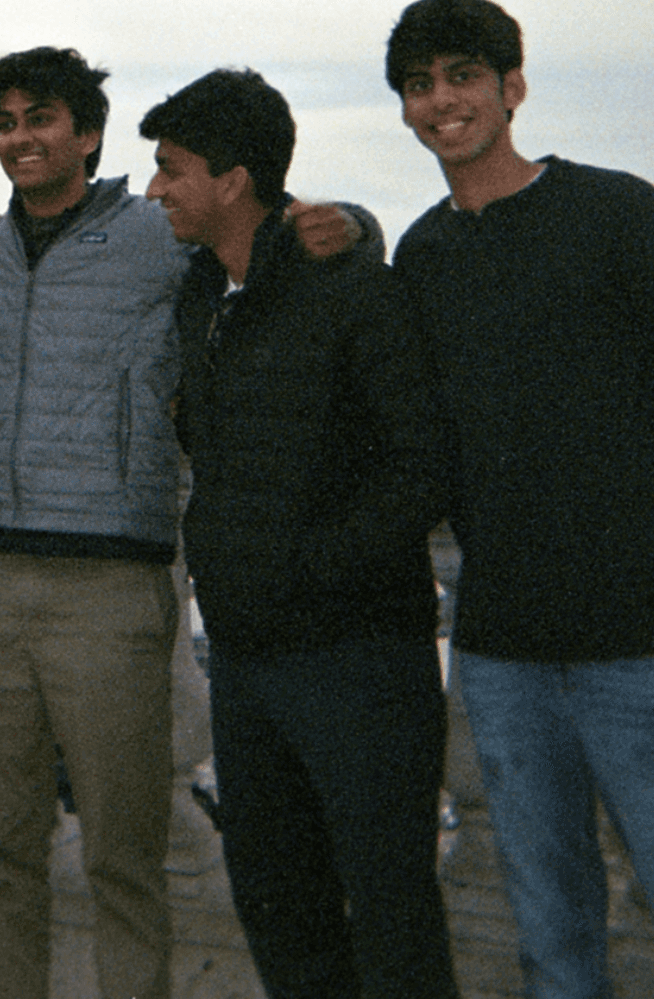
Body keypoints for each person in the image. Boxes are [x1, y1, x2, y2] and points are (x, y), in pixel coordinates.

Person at [384, 0, 654, 998]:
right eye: (418, 84)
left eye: (462, 75)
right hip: (504, 653)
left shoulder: (613, 211)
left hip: (652, 646)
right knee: (550, 945)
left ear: (511, 87)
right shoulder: (422, 254)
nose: (442, 100)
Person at [0, 45, 364, 999]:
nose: (21, 138)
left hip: (113, 584)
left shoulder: (155, 231)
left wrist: (359, 223)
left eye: (40, 118)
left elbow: (280, 231)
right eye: (5, 122)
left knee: (124, 859)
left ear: (87, 134)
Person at [140, 68, 459, 999]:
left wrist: (309, 573)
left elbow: (424, 466)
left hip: (358, 658)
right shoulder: (203, 293)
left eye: (172, 169)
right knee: (278, 907)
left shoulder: (351, 287)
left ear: (234, 181)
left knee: (391, 911)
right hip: (247, 660)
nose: (157, 189)